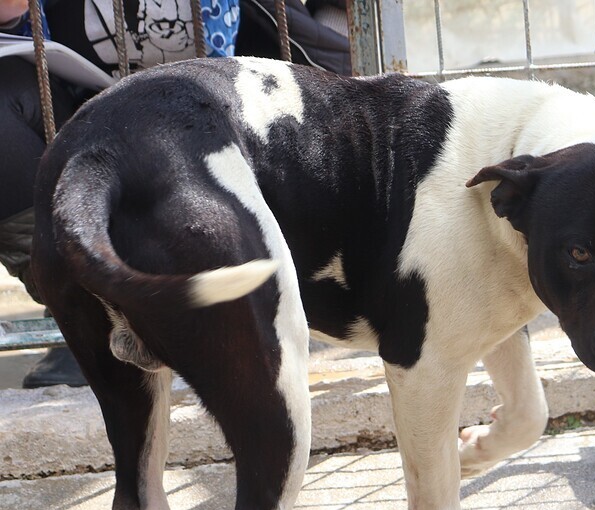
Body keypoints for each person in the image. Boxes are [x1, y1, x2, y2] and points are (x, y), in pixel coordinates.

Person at [0, 0, 349, 387]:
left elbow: (336, 45)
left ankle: (270, 301)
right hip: (94, 140)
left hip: (220, 138)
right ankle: (87, 314)